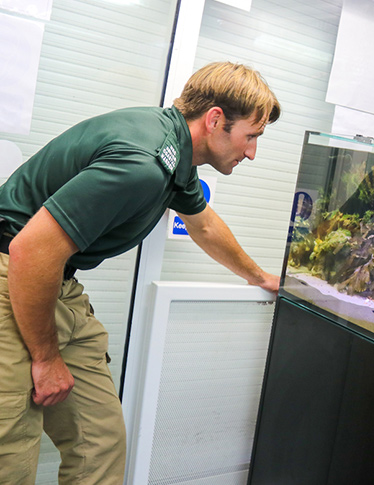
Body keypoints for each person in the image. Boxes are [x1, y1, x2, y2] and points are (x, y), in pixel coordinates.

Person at [0, 61, 281, 484]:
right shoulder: (142, 163)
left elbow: (202, 222)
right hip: (15, 276)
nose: (252, 152)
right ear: (216, 120)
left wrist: (259, 277)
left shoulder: (174, 153)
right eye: (251, 136)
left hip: (54, 282)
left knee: (99, 444)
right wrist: (45, 358)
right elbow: (29, 251)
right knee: (12, 455)